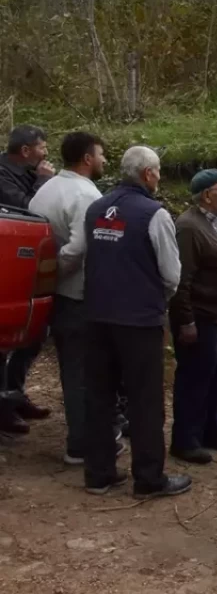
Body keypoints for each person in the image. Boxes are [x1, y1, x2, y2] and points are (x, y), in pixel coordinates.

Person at [82, 146, 190, 499]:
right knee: (145, 400)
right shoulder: (154, 214)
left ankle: (98, 474)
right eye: (157, 172)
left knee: (99, 395)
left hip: (97, 316)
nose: (158, 178)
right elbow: (172, 274)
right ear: (147, 175)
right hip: (139, 321)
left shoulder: (96, 208)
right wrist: (156, 300)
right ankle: (148, 478)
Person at [27, 132, 111, 462]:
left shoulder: (45, 190)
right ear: (87, 159)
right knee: (82, 373)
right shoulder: (86, 195)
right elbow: (79, 247)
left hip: (53, 294)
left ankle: (89, 435)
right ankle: (82, 445)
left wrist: (46, 276)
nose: (105, 160)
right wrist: (57, 271)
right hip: (76, 294)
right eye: (101, 154)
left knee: (71, 369)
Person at [168, 169, 217, 465]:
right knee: (194, 379)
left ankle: (212, 431)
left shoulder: (214, 222)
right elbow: (181, 280)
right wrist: (185, 321)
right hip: (200, 317)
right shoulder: (188, 227)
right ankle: (185, 440)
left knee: (215, 378)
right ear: (208, 195)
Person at [0, 124, 56, 434]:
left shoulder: (27, 172)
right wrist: (43, 181)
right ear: (25, 151)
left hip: (32, 268)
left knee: (33, 337)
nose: (46, 152)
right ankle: (3, 407)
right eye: (41, 147)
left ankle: (16, 393)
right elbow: (26, 209)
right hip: (9, 267)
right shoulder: (3, 175)